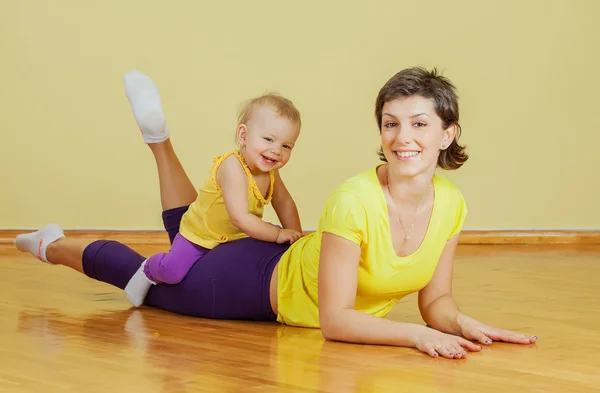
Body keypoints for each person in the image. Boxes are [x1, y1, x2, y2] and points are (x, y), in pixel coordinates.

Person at [15, 66, 537, 359]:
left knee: (187, 231)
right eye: (390, 123)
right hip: (253, 282)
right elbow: (334, 322)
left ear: (447, 134)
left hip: (269, 250)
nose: (403, 138)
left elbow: (437, 300)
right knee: (145, 283)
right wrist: (419, 336)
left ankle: (158, 139)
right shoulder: (352, 200)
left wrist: (465, 324)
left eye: (420, 125)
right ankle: (47, 244)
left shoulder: (453, 204)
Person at [117, 71, 303, 307]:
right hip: (199, 236)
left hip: (234, 240)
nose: (277, 150)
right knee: (174, 272)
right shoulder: (232, 167)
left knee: (271, 245)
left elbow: (284, 202)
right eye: (268, 140)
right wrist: (277, 234)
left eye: (286, 145)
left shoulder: (270, 172)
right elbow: (240, 217)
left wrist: (295, 236)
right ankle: (150, 269)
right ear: (243, 135)